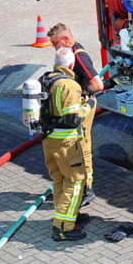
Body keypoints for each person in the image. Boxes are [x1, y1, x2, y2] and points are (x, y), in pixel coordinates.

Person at [47, 23, 102, 203]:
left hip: (82, 107)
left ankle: (87, 188)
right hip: (75, 106)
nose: (53, 47)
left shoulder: (78, 56)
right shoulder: (73, 52)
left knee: (82, 146)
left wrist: (81, 94)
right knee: (77, 147)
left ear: (65, 39)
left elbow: (97, 84)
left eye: (55, 43)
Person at [44, 48, 91, 242]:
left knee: (59, 180)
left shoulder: (47, 79)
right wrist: (88, 106)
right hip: (66, 142)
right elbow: (72, 118)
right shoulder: (69, 84)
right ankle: (63, 227)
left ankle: (67, 215)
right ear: (71, 65)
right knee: (75, 182)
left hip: (49, 140)